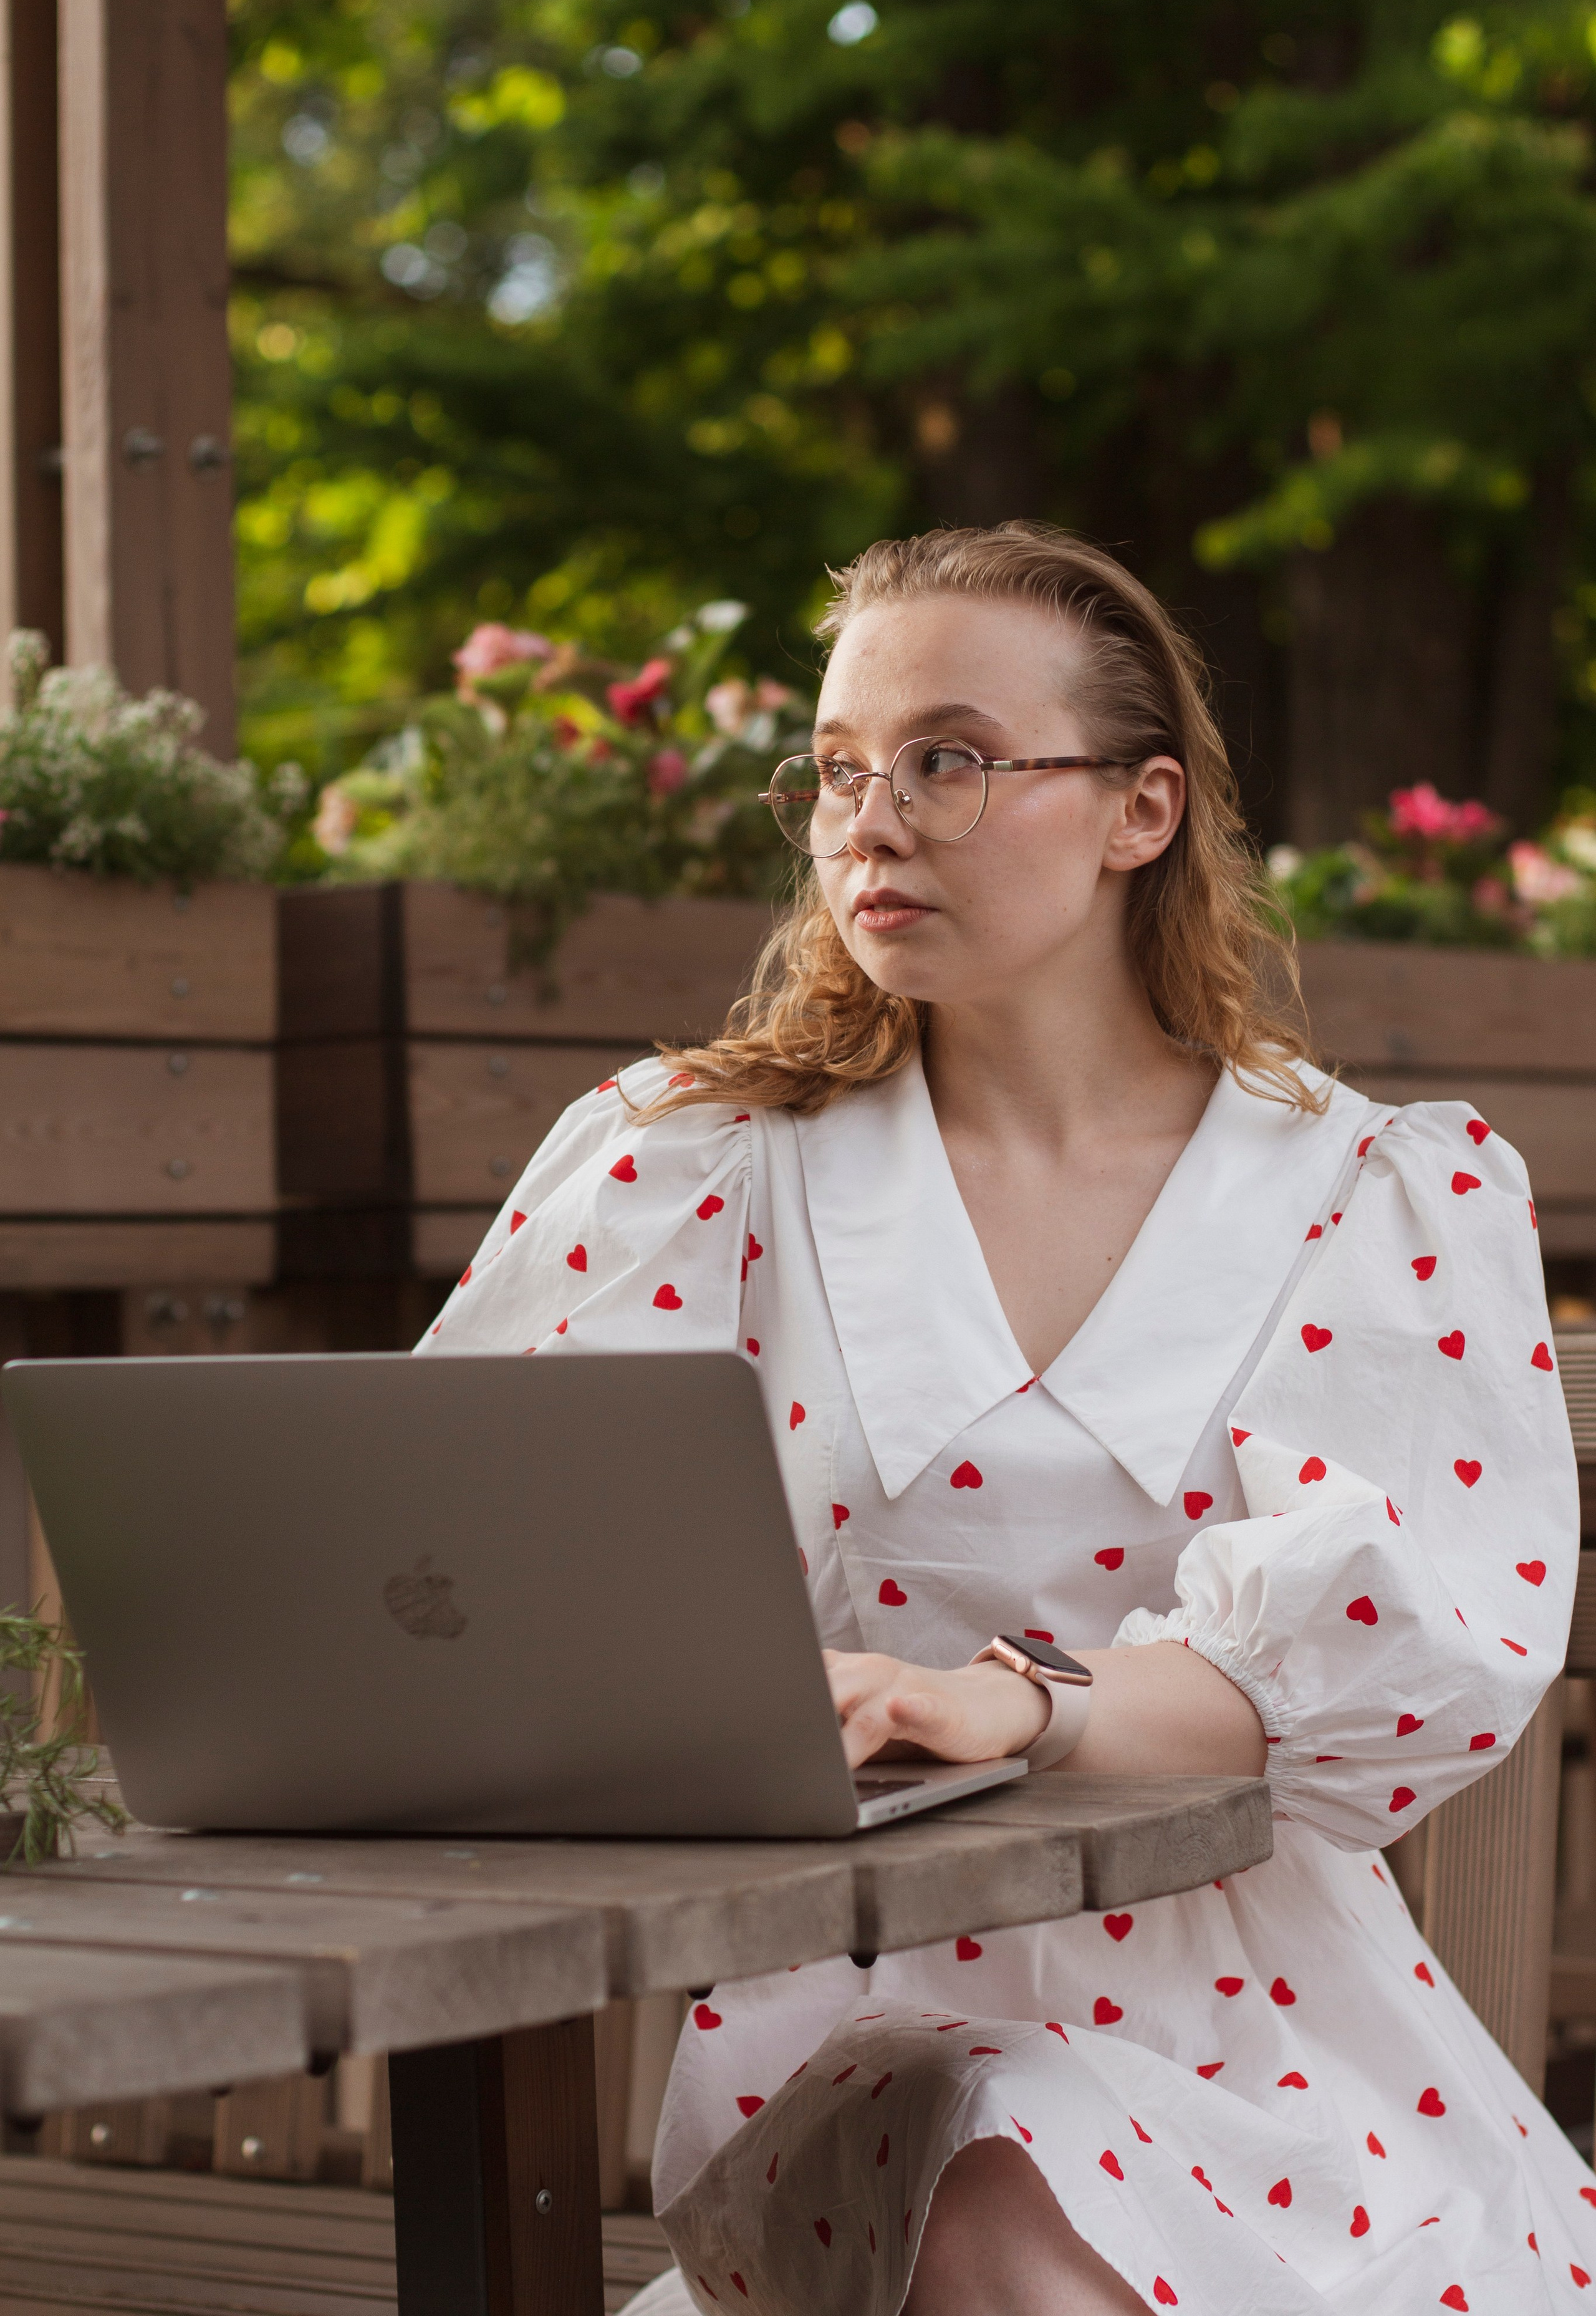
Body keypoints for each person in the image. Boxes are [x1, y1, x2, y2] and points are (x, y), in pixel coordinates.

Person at [417, 522, 1585, 2315]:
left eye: (949, 761)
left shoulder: (1365, 1193)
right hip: (853, 2006)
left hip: (1273, 2049)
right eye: (834, 770)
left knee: (1033, 2193)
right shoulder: (695, 1167)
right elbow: (461, 1561)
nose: (869, 818)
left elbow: (1386, 1656)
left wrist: (1011, 1706)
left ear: (1143, 811)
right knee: (988, 2152)